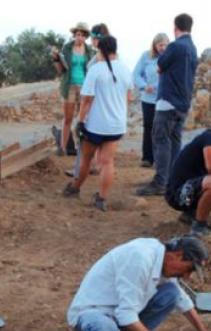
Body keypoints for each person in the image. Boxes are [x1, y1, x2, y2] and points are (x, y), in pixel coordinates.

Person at [67, 236, 211, 331]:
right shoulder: (140, 259)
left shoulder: (162, 258)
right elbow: (126, 315)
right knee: (104, 330)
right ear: (178, 255)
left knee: (172, 293)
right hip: (94, 312)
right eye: (188, 269)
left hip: (119, 311)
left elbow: (181, 299)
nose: (187, 276)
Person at [62, 36, 132, 211]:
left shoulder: (96, 70)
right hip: (116, 125)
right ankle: (101, 199)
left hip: (96, 125)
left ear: (100, 50)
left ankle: (75, 188)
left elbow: (86, 100)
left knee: (86, 159)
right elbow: (128, 97)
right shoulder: (125, 69)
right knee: (107, 162)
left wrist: (80, 121)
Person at [137, 13, 198, 196]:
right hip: (183, 103)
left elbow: (159, 66)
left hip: (168, 101)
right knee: (174, 141)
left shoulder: (175, 46)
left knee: (160, 139)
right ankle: (172, 179)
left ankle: (160, 182)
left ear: (175, 28)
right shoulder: (193, 48)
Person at [67, 23, 111, 178]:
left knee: (80, 131)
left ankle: (81, 168)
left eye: (92, 38)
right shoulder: (105, 56)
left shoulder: (100, 58)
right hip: (101, 102)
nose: (91, 41)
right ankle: (93, 165)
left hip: (93, 101)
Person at [51, 22, 95, 156]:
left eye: (82, 35)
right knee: (68, 117)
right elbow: (60, 70)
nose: (79, 37)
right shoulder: (67, 48)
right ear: (74, 35)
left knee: (83, 118)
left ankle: (81, 148)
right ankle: (62, 147)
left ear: (86, 37)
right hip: (70, 85)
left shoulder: (89, 51)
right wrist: (56, 60)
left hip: (84, 87)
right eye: (77, 34)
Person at [133, 33, 170, 168]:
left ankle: (161, 159)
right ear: (155, 45)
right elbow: (136, 74)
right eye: (160, 45)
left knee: (161, 129)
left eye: (165, 45)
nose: (163, 48)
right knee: (149, 127)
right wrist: (143, 86)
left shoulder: (170, 57)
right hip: (148, 99)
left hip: (164, 99)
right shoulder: (146, 57)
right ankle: (147, 158)